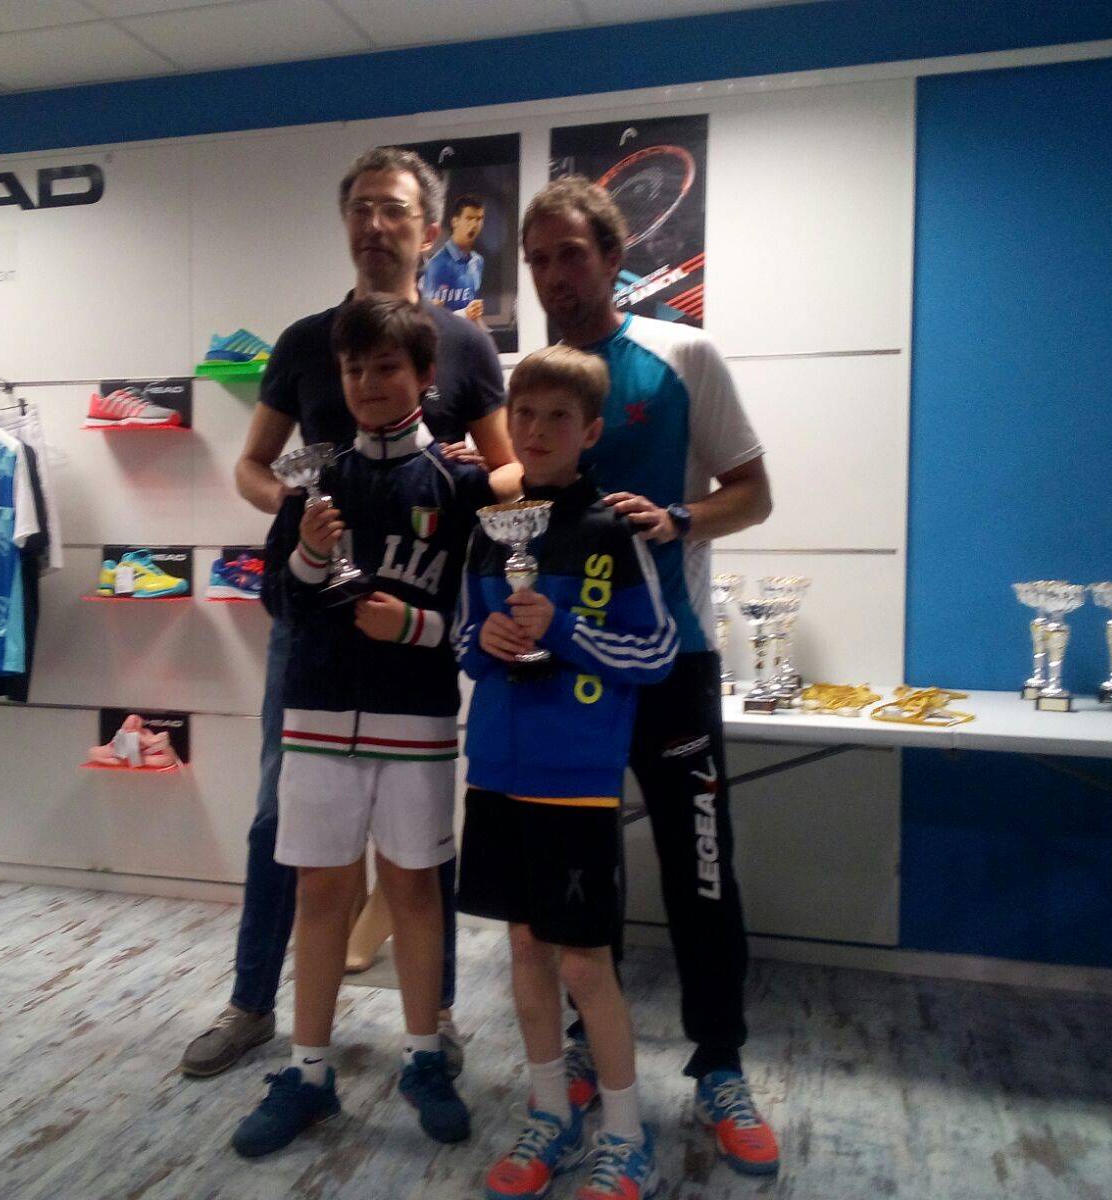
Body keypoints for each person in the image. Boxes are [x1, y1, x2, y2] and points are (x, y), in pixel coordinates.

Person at [182, 147, 515, 1081]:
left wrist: (505, 487)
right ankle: (254, 1004)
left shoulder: (466, 346)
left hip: (413, 633)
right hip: (313, 626)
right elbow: (253, 466)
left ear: (428, 228)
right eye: (361, 208)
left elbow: (504, 476)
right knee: (278, 820)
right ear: (346, 223)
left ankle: (434, 1019)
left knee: (419, 846)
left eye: (394, 210)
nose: (375, 225)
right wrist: (300, 517)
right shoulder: (303, 342)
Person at [520, 176, 780, 1178]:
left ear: (613, 255)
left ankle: (721, 1066)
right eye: (537, 259)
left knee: (698, 871)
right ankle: (589, 1053)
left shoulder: (681, 354)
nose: (553, 274)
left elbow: (752, 494)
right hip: (564, 671)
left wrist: (681, 520)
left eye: (570, 254)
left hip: (673, 661)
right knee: (583, 879)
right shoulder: (532, 379)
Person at [231, 296, 500, 1158]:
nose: (369, 383)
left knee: (414, 890)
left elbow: (482, 617)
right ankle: (309, 1072)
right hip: (316, 713)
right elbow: (281, 603)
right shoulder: (313, 483)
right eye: (354, 370)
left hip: (416, 720)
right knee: (321, 892)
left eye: (387, 367)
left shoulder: (460, 485)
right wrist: (310, 553)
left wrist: (413, 627)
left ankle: (423, 1057)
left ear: (425, 376)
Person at [454, 345, 679, 1200]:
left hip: (577, 776)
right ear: (507, 424)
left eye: (559, 417)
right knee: (524, 946)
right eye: (525, 414)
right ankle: (551, 1112)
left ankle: (625, 1133)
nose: (539, 429)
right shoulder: (490, 527)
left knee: (585, 964)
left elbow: (657, 652)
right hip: (498, 771)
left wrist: (566, 631)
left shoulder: (612, 529)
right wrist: (489, 641)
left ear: (590, 432)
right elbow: (465, 641)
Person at [423, 193, 487, 323]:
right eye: (469, 218)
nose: (475, 224)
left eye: (479, 219)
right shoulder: (436, 264)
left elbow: (473, 313)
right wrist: (465, 314)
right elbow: (429, 316)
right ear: (455, 221)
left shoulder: (478, 262)